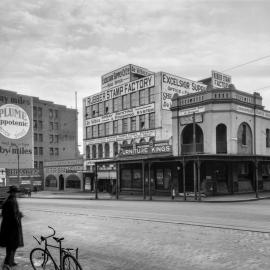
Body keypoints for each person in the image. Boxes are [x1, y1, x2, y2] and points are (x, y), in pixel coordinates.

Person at [0, 186, 24, 267]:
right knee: (12, 245)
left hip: (8, 227)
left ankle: (10, 261)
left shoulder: (10, 200)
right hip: (11, 228)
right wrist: (18, 216)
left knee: (12, 245)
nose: (17, 194)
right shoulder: (11, 201)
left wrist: (18, 213)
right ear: (13, 193)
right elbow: (12, 216)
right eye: (16, 192)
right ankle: (7, 263)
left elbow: (12, 213)